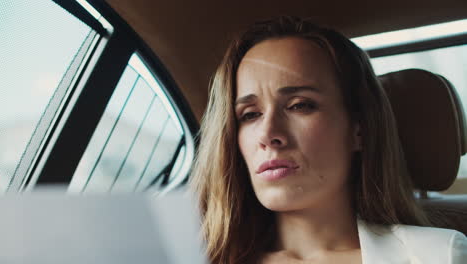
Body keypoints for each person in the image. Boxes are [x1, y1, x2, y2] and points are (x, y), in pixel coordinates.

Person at [190, 16, 467, 264]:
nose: (268, 134)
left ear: (358, 129)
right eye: (250, 114)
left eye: (300, 105)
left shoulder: (439, 255)